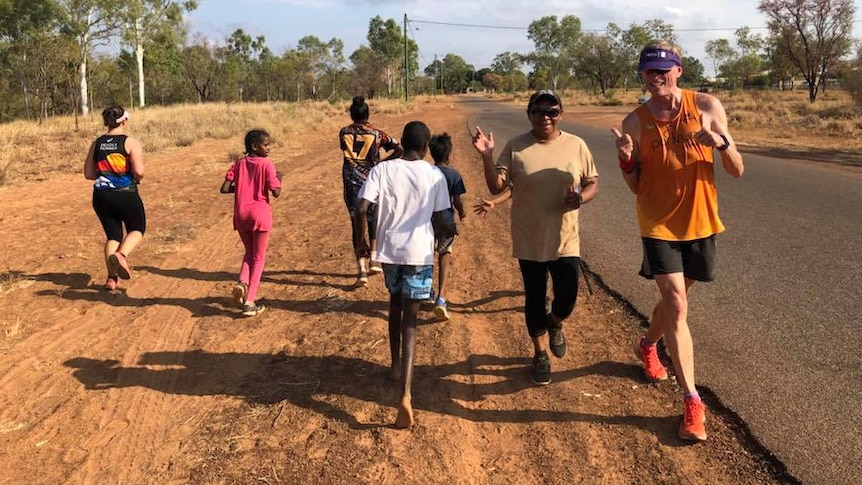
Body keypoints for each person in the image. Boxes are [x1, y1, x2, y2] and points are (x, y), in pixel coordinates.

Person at [611, 39, 744, 442]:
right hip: (658, 224)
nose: (655, 78)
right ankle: (692, 402)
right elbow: (635, 187)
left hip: (701, 223)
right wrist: (626, 160)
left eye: (662, 70)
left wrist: (719, 143)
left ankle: (648, 343)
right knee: (677, 304)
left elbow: (737, 169)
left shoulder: (706, 107)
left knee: (675, 304)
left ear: (679, 70)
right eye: (648, 71)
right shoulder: (634, 122)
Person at [472, 90, 599, 386]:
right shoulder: (516, 146)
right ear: (528, 114)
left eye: (551, 111)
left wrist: (581, 199)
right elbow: (496, 187)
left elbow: (592, 182)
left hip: (565, 236)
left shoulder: (576, 145)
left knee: (567, 297)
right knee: (534, 297)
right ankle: (540, 353)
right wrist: (487, 157)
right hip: (528, 236)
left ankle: (555, 323)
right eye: (538, 111)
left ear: (561, 114)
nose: (545, 116)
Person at [354, 121, 454, 429]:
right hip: (419, 255)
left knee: (394, 306)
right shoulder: (434, 175)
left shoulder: (383, 171)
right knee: (411, 322)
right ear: (425, 148)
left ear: (403, 144)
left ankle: (395, 365)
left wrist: (361, 242)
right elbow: (442, 219)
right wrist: (446, 236)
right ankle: (406, 395)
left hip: (389, 253)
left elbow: (361, 208)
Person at [339, 96, 404, 287]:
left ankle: (361, 271)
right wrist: (382, 163)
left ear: (352, 114)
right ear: (368, 114)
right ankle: (375, 259)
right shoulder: (377, 134)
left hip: (351, 184)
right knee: (373, 218)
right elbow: (399, 148)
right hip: (372, 182)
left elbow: (345, 149)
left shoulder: (344, 132)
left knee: (355, 223)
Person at [83, 105, 146, 291]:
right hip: (125, 193)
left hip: (101, 195)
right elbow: (139, 172)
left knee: (113, 235)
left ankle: (112, 278)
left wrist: (106, 174)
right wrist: (136, 178)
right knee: (137, 228)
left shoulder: (97, 143)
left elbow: (88, 173)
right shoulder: (131, 143)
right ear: (124, 120)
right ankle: (121, 256)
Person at [220, 129, 282, 317]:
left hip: (241, 214)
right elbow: (276, 192)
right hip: (260, 213)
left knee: (249, 251)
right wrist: (279, 177)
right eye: (266, 144)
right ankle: (249, 302)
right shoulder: (267, 164)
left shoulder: (238, 164)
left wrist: (242, 188)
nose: (269, 148)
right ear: (255, 146)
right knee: (259, 257)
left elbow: (224, 188)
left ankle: (242, 283)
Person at [428, 132, 466, 321]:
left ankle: (426, 290)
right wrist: (462, 212)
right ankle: (441, 298)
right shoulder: (453, 175)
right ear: (449, 155)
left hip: (426, 221)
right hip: (446, 221)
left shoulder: (426, 172)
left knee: (426, 256)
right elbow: (457, 201)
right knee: (444, 256)